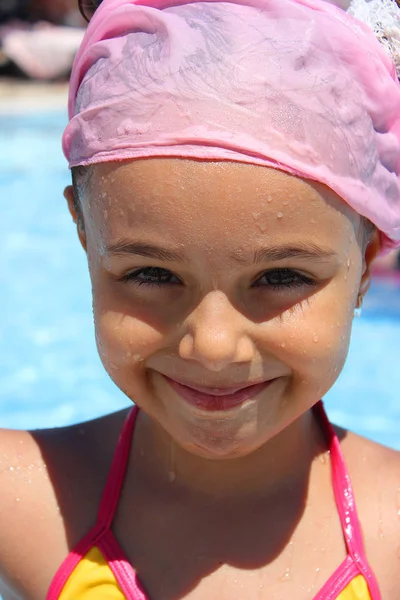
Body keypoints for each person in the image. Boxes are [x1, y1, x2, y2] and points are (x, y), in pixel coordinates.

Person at [1, 0, 399, 599]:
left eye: (282, 277)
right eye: (154, 274)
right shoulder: (17, 508)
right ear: (86, 239)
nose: (213, 348)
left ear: (367, 263)